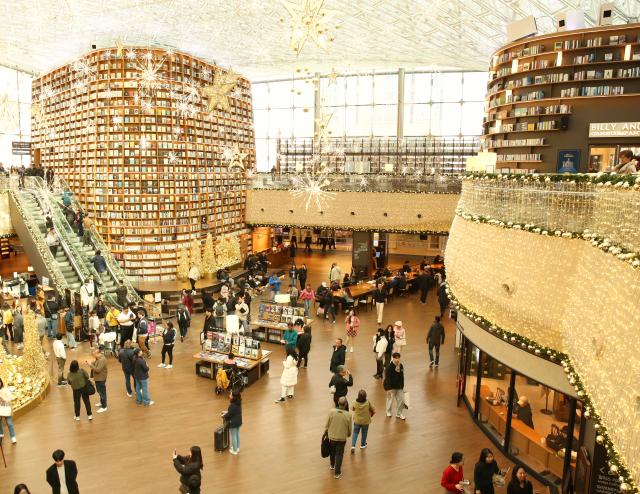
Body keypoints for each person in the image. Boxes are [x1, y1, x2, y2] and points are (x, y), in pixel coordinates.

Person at [324, 396, 352, 480]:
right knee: (339, 454)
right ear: (346, 404)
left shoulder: (331, 412)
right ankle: (337, 473)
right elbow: (349, 428)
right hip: (342, 438)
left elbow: (327, 424)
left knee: (332, 451)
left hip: (332, 436)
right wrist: (348, 435)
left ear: (338, 403)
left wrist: (326, 432)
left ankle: (332, 465)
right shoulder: (348, 415)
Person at [383, 352, 405, 420]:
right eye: (396, 358)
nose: (397, 359)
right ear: (393, 358)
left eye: (398, 358)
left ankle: (399, 413)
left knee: (401, 400)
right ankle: (388, 412)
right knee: (390, 400)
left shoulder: (400, 366)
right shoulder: (389, 367)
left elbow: (402, 376)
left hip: (399, 387)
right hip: (391, 387)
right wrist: (388, 389)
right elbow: (387, 379)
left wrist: (402, 386)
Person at [86, 346, 108, 413]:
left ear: (98, 353)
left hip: (101, 378)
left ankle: (104, 406)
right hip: (98, 378)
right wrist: (91, 363)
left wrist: (90, 365)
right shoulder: (98, 358)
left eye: (94, 354)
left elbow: (98, 370)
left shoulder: (102, 360)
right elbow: (95, 363)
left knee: (102, 392)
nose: (93, 355)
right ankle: (102, 402)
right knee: (99, 391)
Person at [221, 389, 242, 455]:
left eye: (230, 394)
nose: (229, 395)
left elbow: (229, 414)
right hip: (239, 421)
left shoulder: (232, 405)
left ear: (233, 397)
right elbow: (233, 412)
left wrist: (223, 416)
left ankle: (235, 450)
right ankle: (237, 448)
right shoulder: (238, 403)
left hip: (233, 423)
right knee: (237, 434)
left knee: (233, 436)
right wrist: (226, 412)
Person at [0, 377, 17, 443]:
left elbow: (9, 398)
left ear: (1, 382)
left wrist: (2, 398)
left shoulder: (5, 389)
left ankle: (13, 437)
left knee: (9, 422)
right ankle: (1, 435)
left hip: (6, 407)